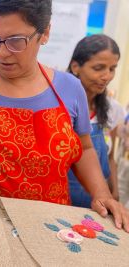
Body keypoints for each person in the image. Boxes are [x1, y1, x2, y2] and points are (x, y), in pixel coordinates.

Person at [0, 0, 129, 232]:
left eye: (15, 41)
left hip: (53, 225)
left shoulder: (71, 89)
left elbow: (84, 148)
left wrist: (102, 195)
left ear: (45, 34)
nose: (1, 53)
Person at [66, 35, 125, 208]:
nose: (107, 76)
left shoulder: (113, 110)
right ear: (76, 67)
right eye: (99, 68)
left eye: (112, 69)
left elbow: (110, 157)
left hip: (97, 203)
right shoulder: (61, 107)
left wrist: (114, 193)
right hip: (62, 200)